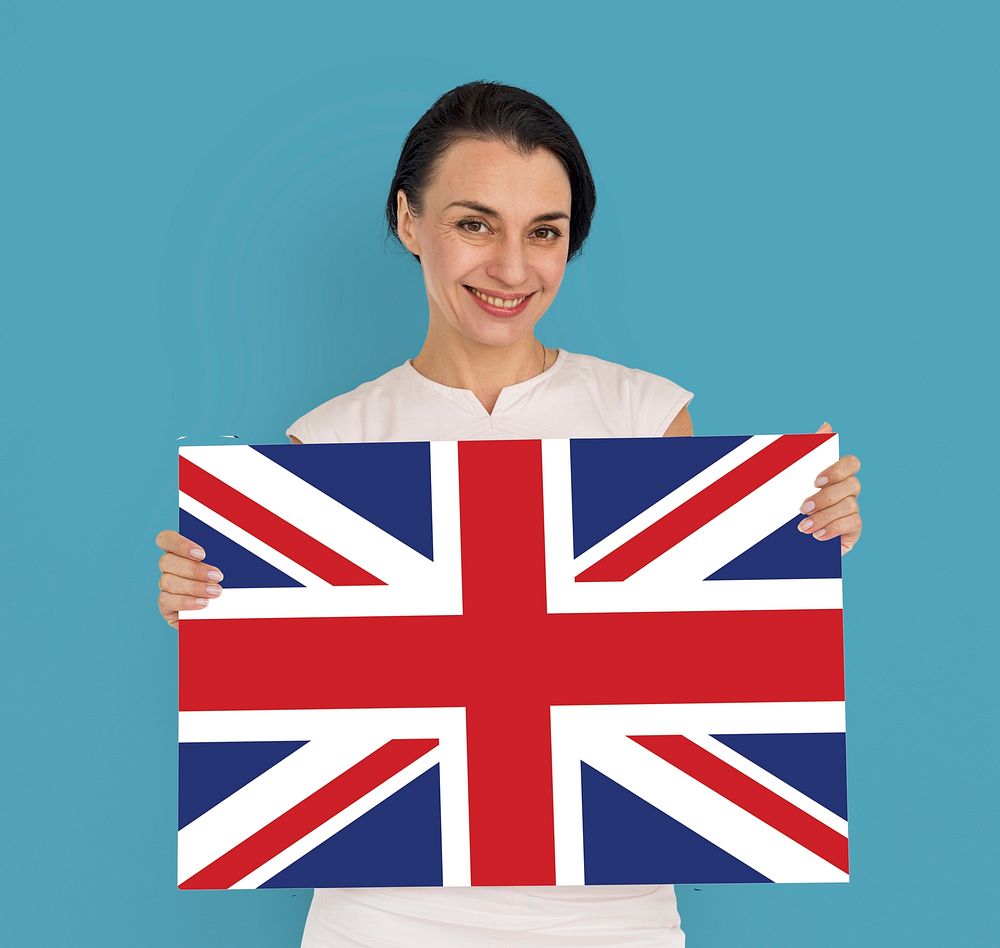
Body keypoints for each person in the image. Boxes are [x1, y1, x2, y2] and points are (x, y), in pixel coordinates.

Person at [156, 81, 863, 948]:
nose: (513, 269)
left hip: (613, 921)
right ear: (410, 222)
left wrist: (799, 535)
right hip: (382, 919)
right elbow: (306, 704)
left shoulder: (643, 417)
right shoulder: (331, 441)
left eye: (545, 233)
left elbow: (707, 662)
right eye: (474, 223)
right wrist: (213, 605)